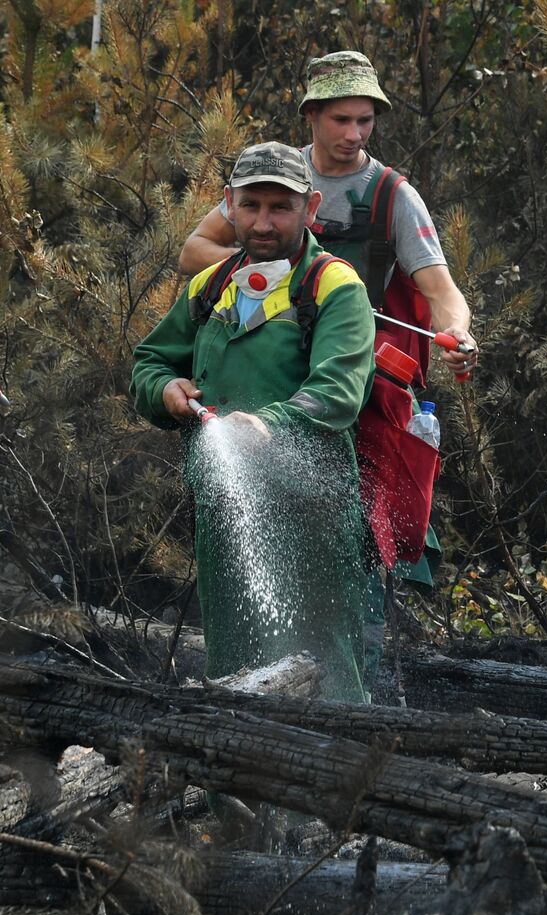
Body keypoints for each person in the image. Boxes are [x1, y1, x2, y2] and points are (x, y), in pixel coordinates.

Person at [179, 51, 475, 681]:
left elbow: (441, 290)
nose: (355, 134)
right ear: (311, 115)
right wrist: (286, 275)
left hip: (355, 397)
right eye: (342, 119)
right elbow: (195, 251)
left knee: (358, 548)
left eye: (366, 120)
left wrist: (457, 332)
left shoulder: (393, 195)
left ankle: (356, 700)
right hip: (270, 386)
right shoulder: (274, 184)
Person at [132, 142, 375, 702]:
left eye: (280, 207)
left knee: (328, 668)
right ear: (229, 205)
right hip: (223, 507)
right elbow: (150, 361)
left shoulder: (334, 288)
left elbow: (337, 392)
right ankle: (233, 788)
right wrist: (164, 389)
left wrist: (268, 426)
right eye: (251, 205)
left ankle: (345, 782)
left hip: (312, 513)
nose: (263, 222)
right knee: (234, 661)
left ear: (310, 208)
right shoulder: (211, 285)